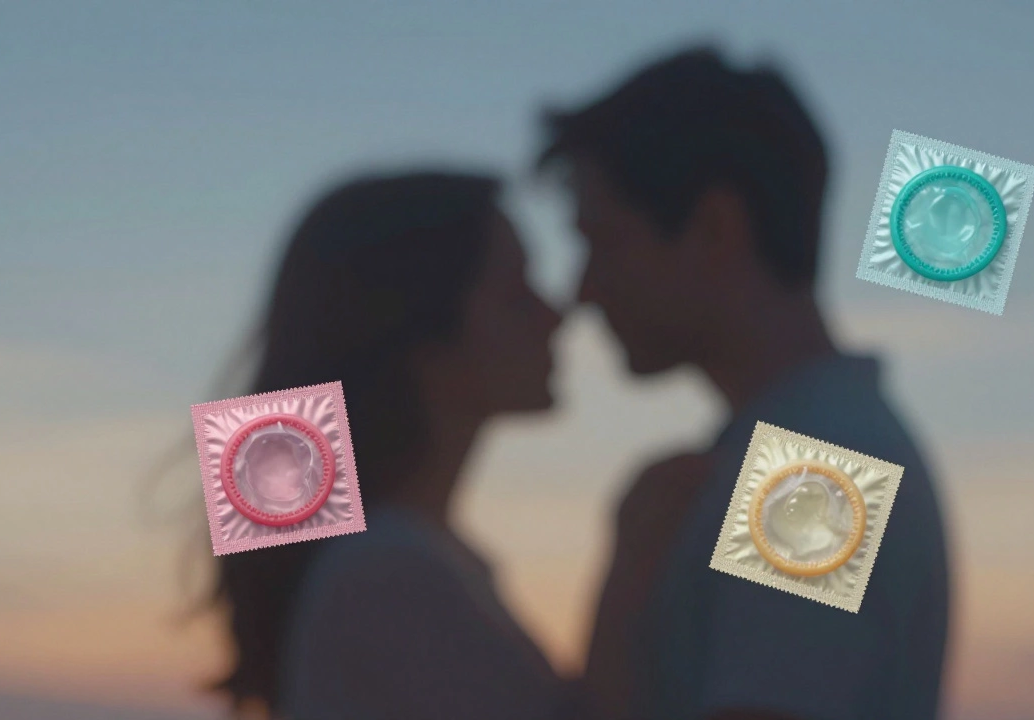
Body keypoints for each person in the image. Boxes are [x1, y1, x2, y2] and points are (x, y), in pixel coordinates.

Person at [539, 47, 951, 720]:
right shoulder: (807, 447)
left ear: (713, 229)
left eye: (603, 241)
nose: (583, 290)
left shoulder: (817, 463)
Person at [204, 171, 577, 719]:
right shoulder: (387, 571)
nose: (556, 315)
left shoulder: (394, 560)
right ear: (422, 335)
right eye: (517, 294)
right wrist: (632, 577)